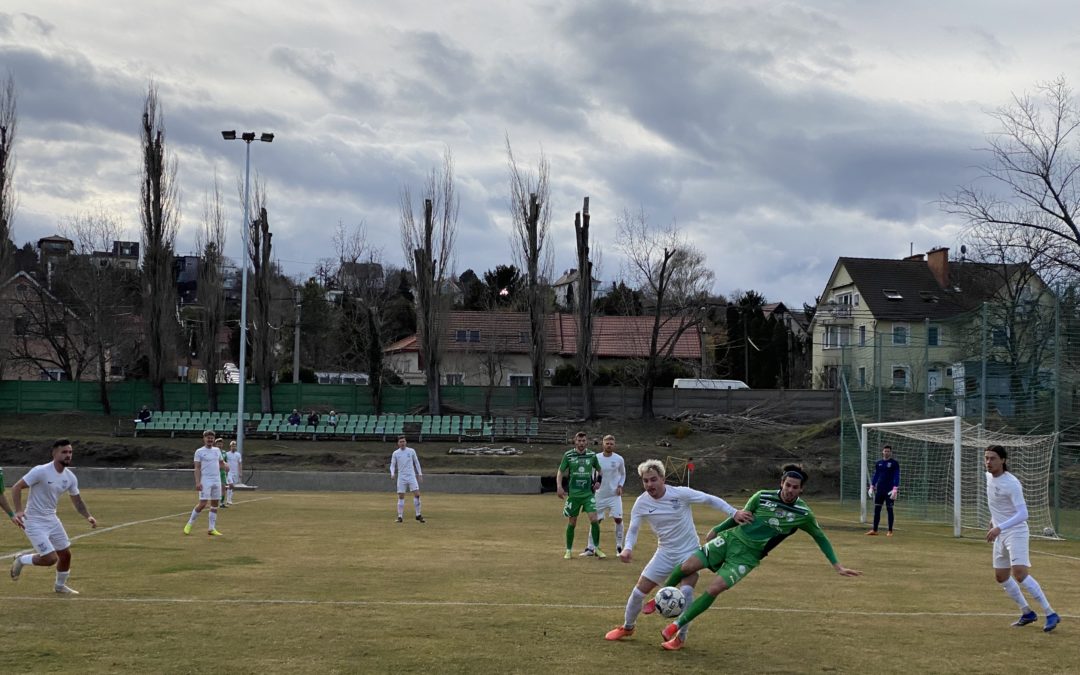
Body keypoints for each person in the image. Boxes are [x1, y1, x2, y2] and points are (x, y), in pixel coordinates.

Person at [656, 464, 862, 650]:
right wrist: (717, 529)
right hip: (730, 540)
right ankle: (661, 596)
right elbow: (740, 517)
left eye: (795, 487)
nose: (790, 490)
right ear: (781, 483)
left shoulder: (803, 513)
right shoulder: (761, 496)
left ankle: (675, 626)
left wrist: (837, 565)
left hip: (748, 557)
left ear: (801, 489)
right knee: (687, 567)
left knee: (715, 588)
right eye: (787, 485)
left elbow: (821, 537)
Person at [603, 459, 752, 644]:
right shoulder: (641, 503)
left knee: (687, 593)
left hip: (689, 553)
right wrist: (627, 548)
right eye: (645, 481)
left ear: (663, 479)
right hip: (664, 553)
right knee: (638, 593)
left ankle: (679, 638)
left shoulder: (680, 494)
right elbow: (633, 529)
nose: (649, 484)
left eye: (653, 479)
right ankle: (627, 627)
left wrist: (733, 512)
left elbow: (709, 499)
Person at [984, 445, 1059, 632]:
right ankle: (1027, 612)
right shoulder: (988, 477)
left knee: (1019, 573)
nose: (988, 462)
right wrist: (993, 521)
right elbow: (998, 505)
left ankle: (1050, 613)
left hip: (1016, 531)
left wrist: (999, 527)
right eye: (986, 458)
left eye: (993, 458)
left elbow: (1023, 513)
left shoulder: (1012, 483)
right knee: (1001, 577)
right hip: (1000, 532)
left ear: (1003, 460)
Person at [9, 439, 98, 594]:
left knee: (65, 555)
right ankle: (22, 559)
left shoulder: (70, 477)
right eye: (64, 452)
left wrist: (88, 516)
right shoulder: (41, 471)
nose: (68, 455)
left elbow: (77, 500)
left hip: (52, 520)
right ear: (54, 453)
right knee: (50, 559)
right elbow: (17, 487)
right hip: (33, 521)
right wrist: (18, 511)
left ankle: (59, 587)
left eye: (70, 452)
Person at [557, 431, 603, 559]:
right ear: (575, 441)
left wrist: (598, 482)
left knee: (594, 520)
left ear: (586, 442)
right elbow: (560, 472)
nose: (581, 443)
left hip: (588, 494)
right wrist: (559, 487)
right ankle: (568, 550)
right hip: (574, 495)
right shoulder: (568, 455)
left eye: (583, 441)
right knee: (572, 522)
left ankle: (596, 548)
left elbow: (600, 470)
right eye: (579, 441)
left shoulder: (592, 455)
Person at [582, 435, 626, 556]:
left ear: (614, 445)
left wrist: (620, 486)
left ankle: (619, 547)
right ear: (603, 444)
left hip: (614, 495)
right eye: (607, 443)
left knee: (618, 519)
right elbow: (591, 473)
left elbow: (623, 474)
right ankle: (590, 548)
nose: (609, 445)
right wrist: (592, 484)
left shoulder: (619, 459)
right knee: (595, 520)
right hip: (599, 495)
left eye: (611, 443)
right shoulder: (596, 458)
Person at [183, 430, 225, 536]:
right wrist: (197, 482)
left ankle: (211, 528)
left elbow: (221, 463)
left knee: (215, 504)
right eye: (208, 437)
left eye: (211, 438)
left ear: (214, 439)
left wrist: (226, 466)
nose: (210, 439)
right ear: (204, 439)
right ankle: (189, 524)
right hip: (206, 479)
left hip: (217, 479)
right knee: (203, 504)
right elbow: (197, 468)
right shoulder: (199, 452)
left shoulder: (217, 450)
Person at [866, 444, 901, 536]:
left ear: (891, 452)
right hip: (880, 489)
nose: (886, 452)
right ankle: (875, 530)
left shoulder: (894, 463)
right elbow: (876, 475)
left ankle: (890, 531)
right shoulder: (878, 463)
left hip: (889, 490)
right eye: (885, 451)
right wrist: (872, 486)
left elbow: (896, 475)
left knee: (890, 509)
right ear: (882, 452)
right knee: (877, 509)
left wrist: (895, 488)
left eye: (888, 451)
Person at [390, 436, 425, 523]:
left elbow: (416, 462)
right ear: (398, 443)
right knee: (401, 496)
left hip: (411, 476)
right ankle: (400, 516)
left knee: (417, 494)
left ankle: (418, 514)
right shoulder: (395, 453)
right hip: (401, 477)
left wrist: (420, 474)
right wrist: (392, 473)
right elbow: (392, 465)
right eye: (401, 442)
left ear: (406, 442)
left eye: (404, 441)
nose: (402, 443)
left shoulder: (411, 451)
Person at [225, 440, 243, 506]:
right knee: (230, 484)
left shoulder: (238, 454)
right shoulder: (227, 454)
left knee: (232, 487)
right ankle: (228, 500)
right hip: (229, 472)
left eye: (235, 446)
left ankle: (229, 499)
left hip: (236, 472)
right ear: (230, 447)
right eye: (232, 446)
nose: (234, 447)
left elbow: (240, 464)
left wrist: (240, 472)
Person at [214, 438, 229, 508]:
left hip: (222, 472)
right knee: (215, 488)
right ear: (215, 444)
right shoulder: (213, 452)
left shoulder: (224, 452)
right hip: (215, 472)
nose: (219, 445)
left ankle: (222, 503)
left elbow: (225, 462)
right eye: (218, 444)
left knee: (223, 487)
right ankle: (214, 502)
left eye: (220, 444)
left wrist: (226, 470)